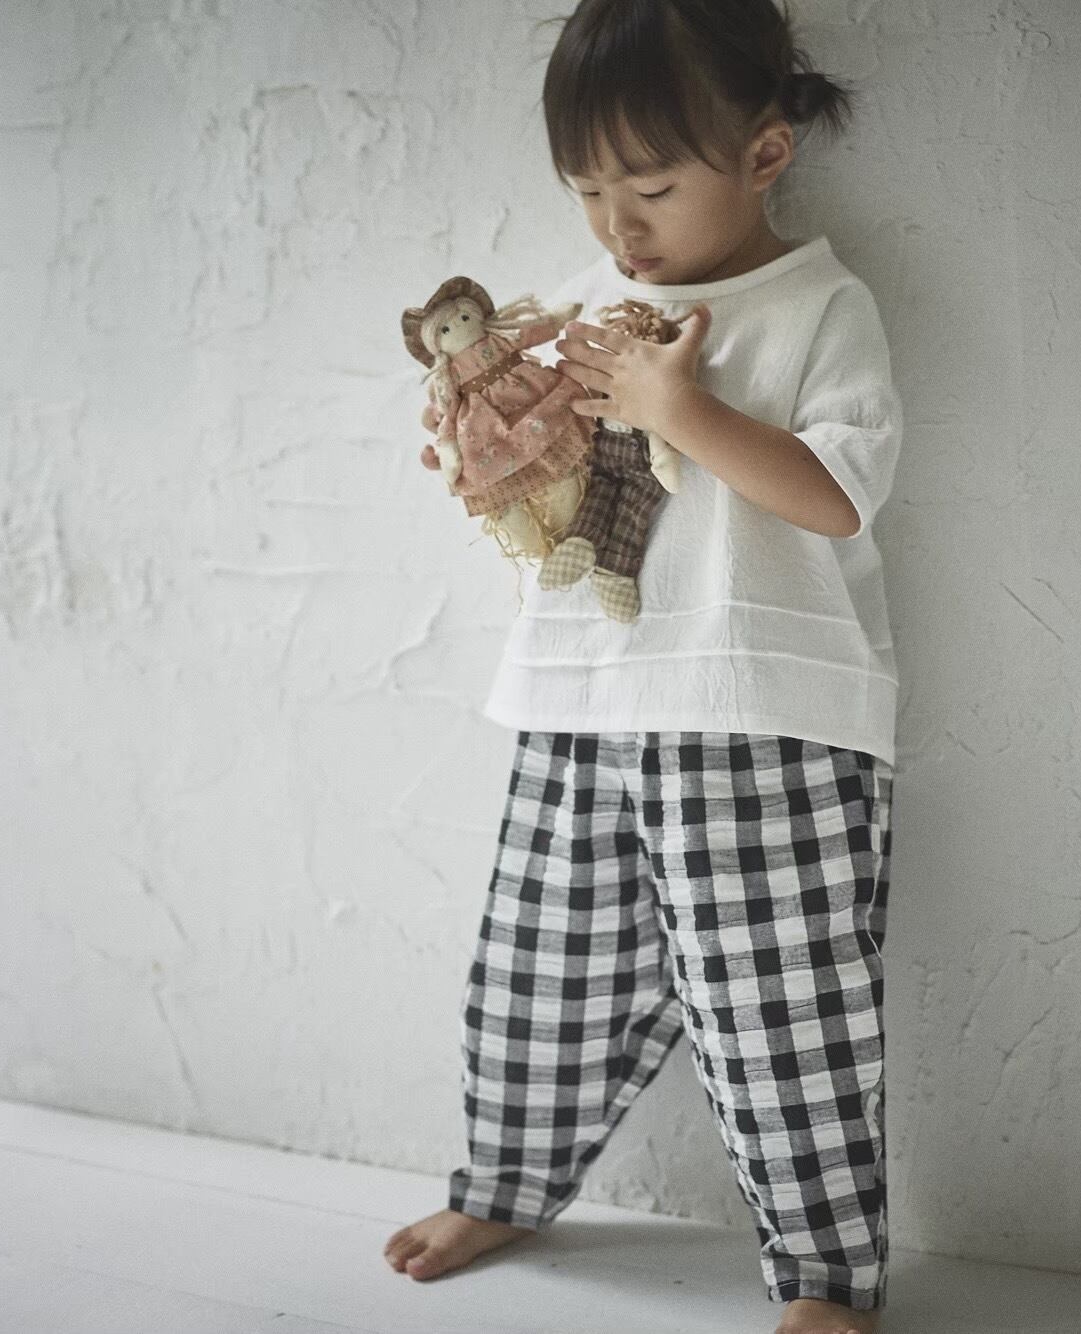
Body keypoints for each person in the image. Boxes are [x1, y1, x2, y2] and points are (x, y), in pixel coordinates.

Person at [385, 2, 903, 1331]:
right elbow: (551, 473)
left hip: (763, 710)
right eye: (587, 189)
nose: (619, 225)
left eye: (653, 189)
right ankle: (506, 1180)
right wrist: (481, 449)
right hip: (582, 697)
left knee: (784, 1014)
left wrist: (683, 405)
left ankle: (825, 1275)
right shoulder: (584, 306)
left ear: (766, 153)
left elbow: (838, 496)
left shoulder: (818, 306)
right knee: (535, 978)